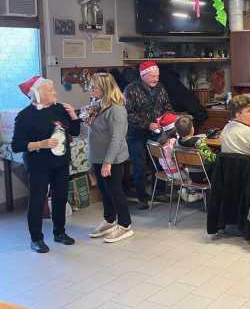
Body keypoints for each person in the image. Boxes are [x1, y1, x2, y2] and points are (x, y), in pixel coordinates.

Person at [11, 77, 81, 253]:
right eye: (50, 90)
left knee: (60, 198)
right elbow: (16, 145)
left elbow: (75, 131)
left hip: (61, 163)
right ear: (36, 93)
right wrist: (40, 144)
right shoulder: (25, 116)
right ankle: (36, 238)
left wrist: (73, 116)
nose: (55, 93)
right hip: (39, 165)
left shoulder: (60, 109)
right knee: (37, 200)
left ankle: (60, 232)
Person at [86, 73, 134, 243]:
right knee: (104, 190)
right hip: (98, 157)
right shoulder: (98, 104)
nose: (91, 90)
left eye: (94, 87)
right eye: (90, 86)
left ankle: (125, 224)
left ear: (105, 89)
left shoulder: (116, 109)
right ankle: (109, 219)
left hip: (112, 159)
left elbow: (117, 138)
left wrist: (108, 162)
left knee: (115, 191)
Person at [124, 61, 173, 209]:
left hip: (156, 132)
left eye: (157, 76)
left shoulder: (160, 88)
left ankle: (159, 191)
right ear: (143, 75)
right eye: (152, 76)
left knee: (160, 161)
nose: (156, 79)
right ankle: (142, 198)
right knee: (139, 166)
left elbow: (167, 106)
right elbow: (128, 114)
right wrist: (147, 124)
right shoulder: (130, 89)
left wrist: (165, 118)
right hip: (136, 133)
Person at [175, 114, 216, 183]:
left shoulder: (177, 143)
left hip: (190, 175)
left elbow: (174, 157)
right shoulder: (198, 142)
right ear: (192, 129)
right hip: (205, 175)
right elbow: (211, 158)